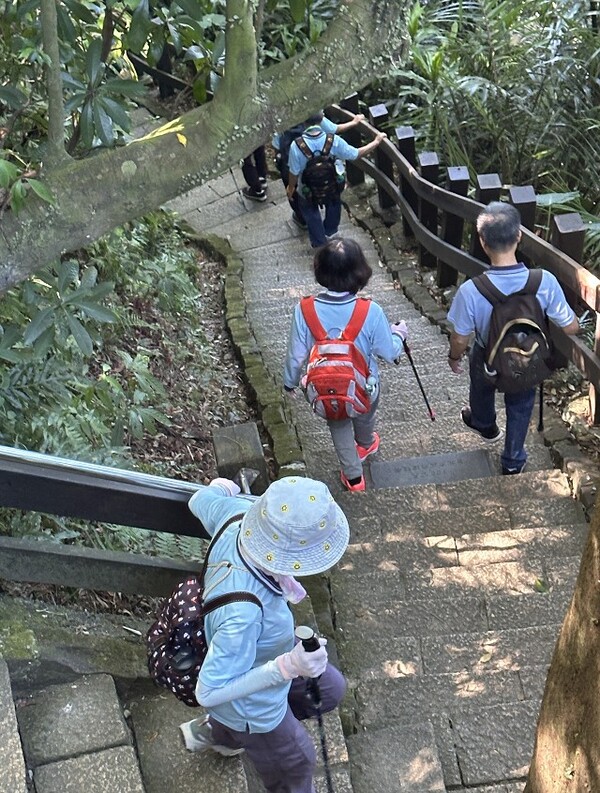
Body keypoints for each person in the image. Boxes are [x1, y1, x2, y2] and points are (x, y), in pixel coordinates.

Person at [179, 475, 350, 793]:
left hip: (261, 654)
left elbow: (199, 500)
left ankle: (221, 732)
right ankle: (242, 732)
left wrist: (223, 487)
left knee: (330, 689)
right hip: (252, 704)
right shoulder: (242, 617)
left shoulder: (237, 515)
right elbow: (209, 692)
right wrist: (289, 666)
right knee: (296, 762)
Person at [447, 201, 580, 474]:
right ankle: (513, 460)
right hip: (527, 358)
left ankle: (485, 424)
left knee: (481, 388)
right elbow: (570, 327)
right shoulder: (544, 281)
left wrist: (454, 357)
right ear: (519, 236)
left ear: (483, 242)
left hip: (486, 357)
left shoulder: (471, 291)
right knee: (520, 405)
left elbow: (460, 339)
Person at [283, 238, 408, 492]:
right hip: (366, 385)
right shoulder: (371, 311)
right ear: (360, 272)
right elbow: (388, 351)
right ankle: (365, 443)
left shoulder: (304, 310)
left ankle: (354, 478)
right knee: (365, 413)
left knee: (338, 424)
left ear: (320, 270)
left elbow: (296, 354)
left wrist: (290, 383)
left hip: (327, 387)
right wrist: (399, 335)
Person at [286, 116, 386, 248]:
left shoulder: (296, 146)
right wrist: (376, 141)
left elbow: (293, 172)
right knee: (333, 202)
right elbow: (356, 154)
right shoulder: (333, 140)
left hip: (307, 189)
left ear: (303, 121)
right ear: (321, 119)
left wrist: (291, 188)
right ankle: (331, 232)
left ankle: (320, 243)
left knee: (309, 211)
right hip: (331, 185)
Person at [273, 111, 366, 231]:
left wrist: (290, 187)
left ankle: (303, 219)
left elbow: (276, 144)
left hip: (293, 169)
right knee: (331, 194)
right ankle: (330, 229)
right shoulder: (310, 112)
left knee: (301, 196)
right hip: (320, 169)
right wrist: (354, 122)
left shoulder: (280, 118)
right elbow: (334, 129)